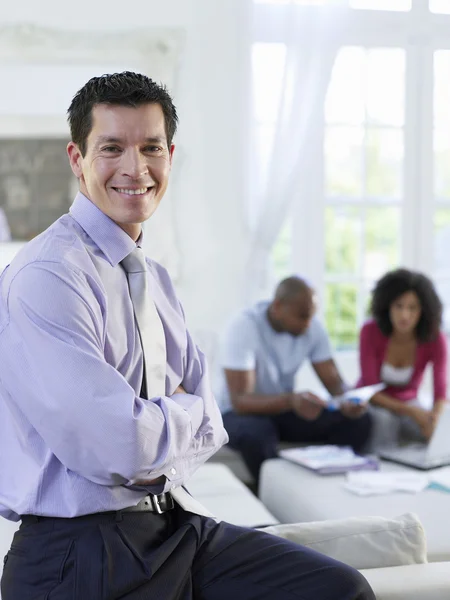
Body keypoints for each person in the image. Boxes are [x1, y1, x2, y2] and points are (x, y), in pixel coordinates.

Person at [0, 72, 374, 600]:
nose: (136, 168)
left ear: (170, 156)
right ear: (77, 159)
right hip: (79, 552)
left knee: (339, 589)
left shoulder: (155, 278)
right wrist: (178, 415)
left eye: (151, 147)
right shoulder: (48, 276)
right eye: (112, 147)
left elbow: (213, 416)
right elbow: (121, 445)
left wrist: (164, 425)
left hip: (177, 526)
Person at [218, 276, 372, 482]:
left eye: (310, 316)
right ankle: (275, 492)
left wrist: (350, 399)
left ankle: (333, 478)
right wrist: (292, 400)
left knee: (359, 421)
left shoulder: (311, 327)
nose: (308, 324)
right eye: (302, 317)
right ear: (278, 307)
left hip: (282, 410)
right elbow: (240, 401)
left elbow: (336, 384)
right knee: (257, 433)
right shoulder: (243, 327)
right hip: (238, 413)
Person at [357, 268, 448, 451]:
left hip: (409, 402)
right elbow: (370, 389)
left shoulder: (435, 338)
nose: (405, 315)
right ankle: (377, 470)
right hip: (375, 402)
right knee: (385, 421)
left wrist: (434, 420)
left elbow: (440, 393)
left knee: (432, 431)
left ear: (424, 310)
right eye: (399, 306)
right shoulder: (370, 331)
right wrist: (411, 411)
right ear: (387, 306)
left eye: (413, 307)